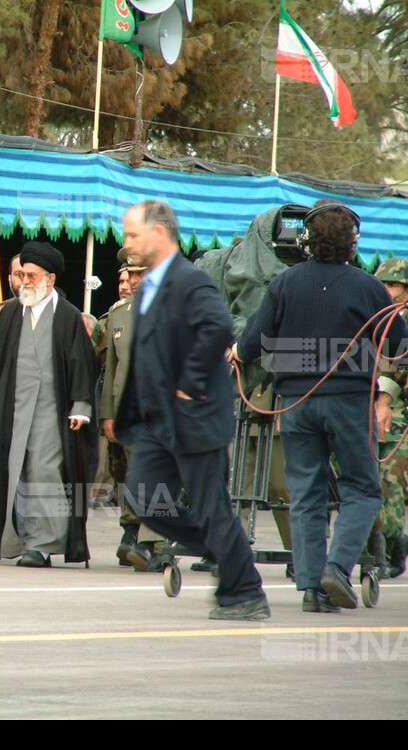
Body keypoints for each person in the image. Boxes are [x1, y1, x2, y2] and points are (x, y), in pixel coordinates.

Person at [233, 202, 408, 611]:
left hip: (296, 404)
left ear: (306, 240)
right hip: (348, 404)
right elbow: (400, 343)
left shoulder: (285, 283)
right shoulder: (369, 287)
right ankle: (337, 569)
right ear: (353, 241)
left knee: (307, 494)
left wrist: (237, 351)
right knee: (362, 490)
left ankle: (313, 589)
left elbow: (254, 341)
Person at [116, 200, 268, 620]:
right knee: (146, 498)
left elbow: (217, 326)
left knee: (209, 507)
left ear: (159, 234)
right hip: (155, 422)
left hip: (193, 417)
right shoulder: (150, 286)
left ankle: (244, 592)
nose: (127, 243)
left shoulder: (190, 280)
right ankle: (222, 547)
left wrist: (190, 384)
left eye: (133, 235)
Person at [0, 241, 95, 568]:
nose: (25, 282)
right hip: (13, 409)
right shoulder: (9, 314)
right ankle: (17, 540)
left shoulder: (68, 316)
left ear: (50, 279)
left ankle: (43, 544)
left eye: (32, 276)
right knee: (13, 473)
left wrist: (81, 406)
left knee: (44, 472)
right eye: (21, 275)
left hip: (52, 409)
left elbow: (82, 366)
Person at [98, 249, 168, 571]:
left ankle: (153, 543)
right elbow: (112, 368)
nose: (135, 281)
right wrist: (108, 414)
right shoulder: (119, 313)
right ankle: (132, 532)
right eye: (131, 275)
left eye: (142, 273)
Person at [373, 259, 408, 578]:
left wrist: (384, 399)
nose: (386, 291)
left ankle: (394, 549)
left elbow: (400, 365)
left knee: (391, 479)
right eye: (382, 284)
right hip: (374, 411)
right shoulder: (375, 317)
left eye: (394, 285)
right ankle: (389, 547)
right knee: (379, 480)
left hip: (399, 415)